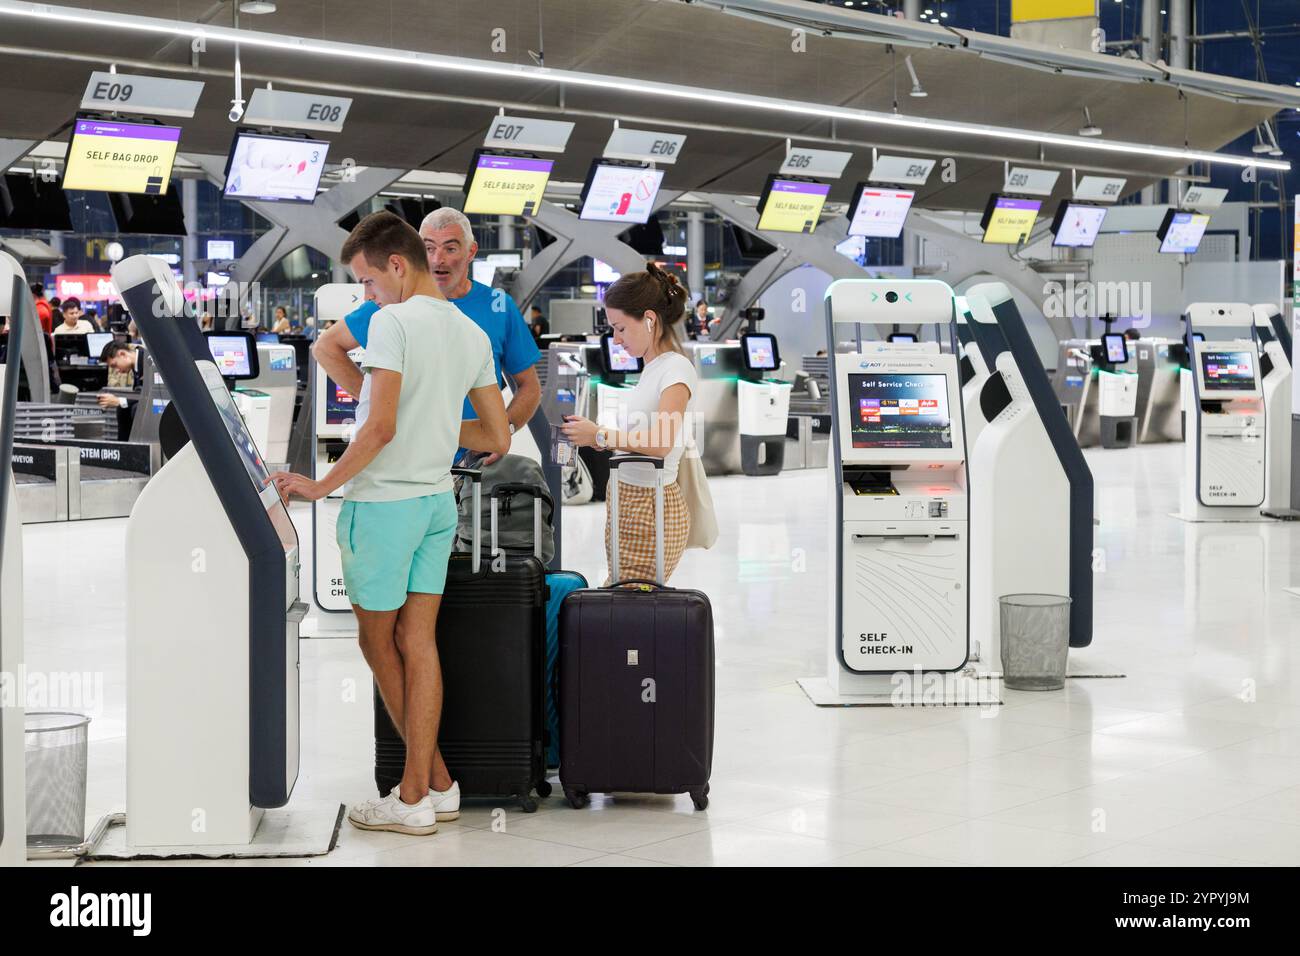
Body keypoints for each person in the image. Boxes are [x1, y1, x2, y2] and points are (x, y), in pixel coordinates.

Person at [273, 211, 510, 836]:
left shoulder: (391, 323)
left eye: (368, 282)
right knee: (419, 642)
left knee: (377, 644)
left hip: (382, 508)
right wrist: (431, 421)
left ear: (396, 267)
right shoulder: (469, 333)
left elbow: (378, 429)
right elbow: (496, 434)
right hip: (436, 502)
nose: (369, 295)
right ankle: (437, 784)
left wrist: (320, 485)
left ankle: (411, 794)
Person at [315, 207, 542, 467]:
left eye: (450, 248)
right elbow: (327, 347)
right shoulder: (391, 303)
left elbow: (529, 386)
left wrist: (504, 432)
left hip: (473, 462)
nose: (437, 259)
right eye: (429, 248)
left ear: (471, 252)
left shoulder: (498, 307)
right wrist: (385, 410)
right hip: (411, 455)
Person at [561, 263, 696, 584]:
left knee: (633, 603)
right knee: (625, 601)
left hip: (651, 509)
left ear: (649, 319)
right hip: (631, 503)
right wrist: (597, 438)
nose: (616, 339)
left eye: (620, 328)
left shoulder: (675, 370)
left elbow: (661, 443)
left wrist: (602, 435)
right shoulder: (653, 369)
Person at [96, 341, 139, 435]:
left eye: (114, 365)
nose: (117, 371)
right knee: (123, 408)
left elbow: (148, 397)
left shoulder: (147, 362)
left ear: (122, 354)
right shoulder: (137, 368)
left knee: (135, 408)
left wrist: (119, 401)